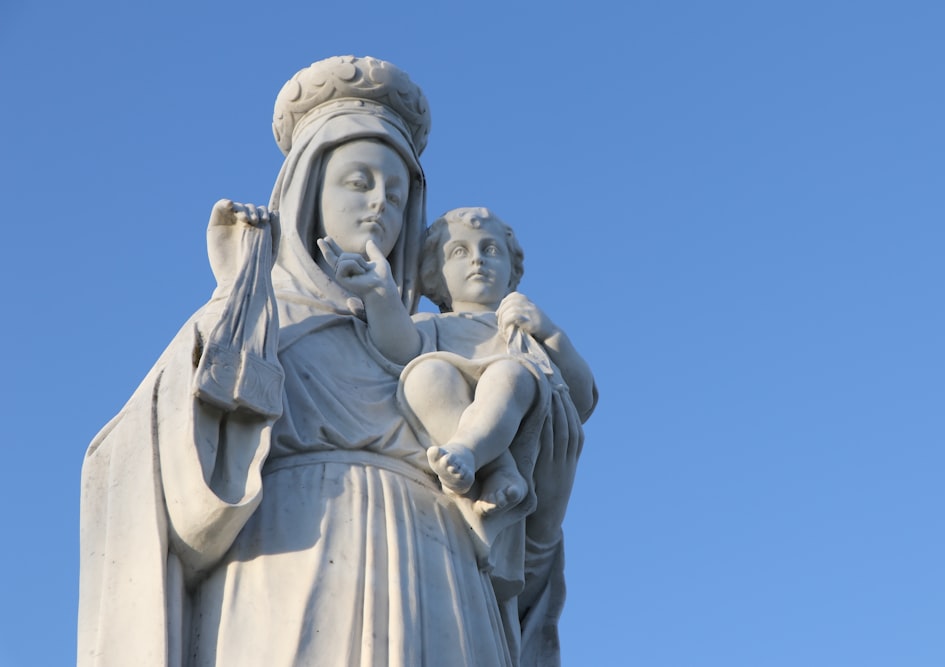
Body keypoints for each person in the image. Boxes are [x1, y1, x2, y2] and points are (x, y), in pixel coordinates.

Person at [78, 56, 591, 667]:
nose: (379, 205)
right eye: (359, 182)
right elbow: (154, 483)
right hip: (290, 569)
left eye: (396, 196)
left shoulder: (435, 343)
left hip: (445, 580)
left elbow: (528, 537)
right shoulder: (253, 315)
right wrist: (236, 317)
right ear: (308, 189)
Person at [328, 207, 596, 518]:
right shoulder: (429, 325)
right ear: (434, 273)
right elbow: (398, 351)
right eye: (459, 251)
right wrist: (378, 298)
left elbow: (583, 399)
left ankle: (471, 452)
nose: (477, 259)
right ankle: (490, 467)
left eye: (491, 249)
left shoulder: (522, 329)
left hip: (523, 419)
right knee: (423, 375)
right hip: (453, 433)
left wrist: (550, 333)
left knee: (508, 373)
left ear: (512, 270)